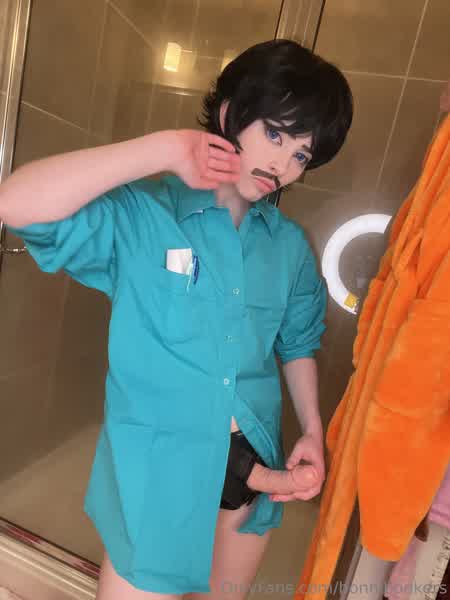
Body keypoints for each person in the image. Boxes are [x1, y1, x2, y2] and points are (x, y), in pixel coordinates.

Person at [0, 39, 353, 600]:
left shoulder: (288, 247)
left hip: (254, 465)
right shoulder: (145, 214)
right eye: (275, 134)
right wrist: (163, 149)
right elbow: (16, 204)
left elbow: (297, 343)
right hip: (159, 467)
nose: (282, 165)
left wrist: (311, 429)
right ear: (229, 113)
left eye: (301, 155)